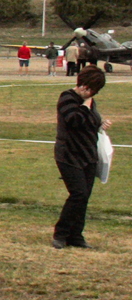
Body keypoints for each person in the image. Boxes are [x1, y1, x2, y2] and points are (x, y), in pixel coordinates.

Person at [53, 65, 110, 249]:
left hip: (88, 155)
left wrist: (101, 124)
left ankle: (76, 236)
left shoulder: (90, 102)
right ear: (83, 85)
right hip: (68, 155)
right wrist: (85, 107)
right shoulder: (67, 98)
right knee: (78, 194)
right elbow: (74, 120)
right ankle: (60, 234)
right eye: (91, 89)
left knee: (84, 198)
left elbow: (90, 122)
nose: (92, 93)